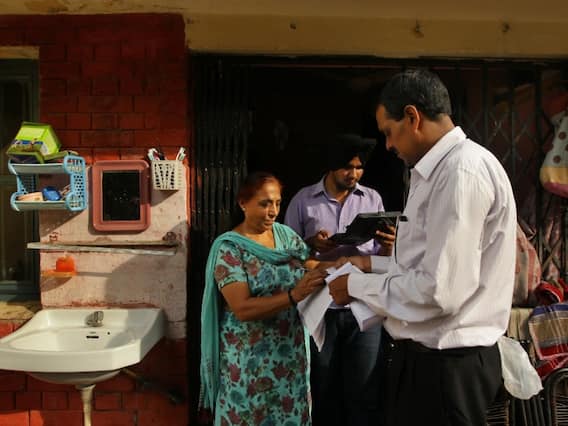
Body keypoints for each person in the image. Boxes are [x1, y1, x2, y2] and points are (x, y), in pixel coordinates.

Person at [328, 69, 517, 426]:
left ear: (412, 117)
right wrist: (368, 265)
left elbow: (439, 291)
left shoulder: (460, 172)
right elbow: (424, 265)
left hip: (447, 365)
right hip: (425, 360)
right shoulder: (435, 171)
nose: (387, 145)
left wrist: (355, 285)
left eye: (388, 131)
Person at [284, 134, 395, 426]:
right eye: (348, 167)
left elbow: (382, 259)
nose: (354, 174)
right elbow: (285, 255)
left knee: (365, 388)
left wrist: (389, 245)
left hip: (364, 306)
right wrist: (311, 244)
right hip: (320, 307)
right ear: (332, 166)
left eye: (359, 168)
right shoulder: (303, 201)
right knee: (322, 387)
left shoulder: (372, 199)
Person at [199, 171, 327, 426]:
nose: (273, 211)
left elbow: (307, 264)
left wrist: (344, 266)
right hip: (248, 362)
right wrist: (293, 295)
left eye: (277, 203)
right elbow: (242, 308)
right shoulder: (230, 248)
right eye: (265, 203)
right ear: (243, 203)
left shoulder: (286, 236)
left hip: (289, 359)